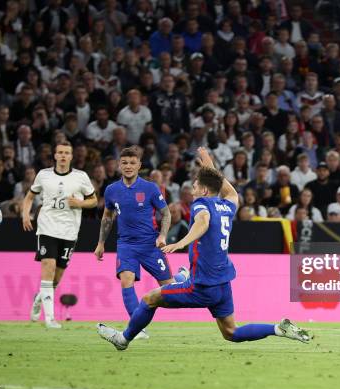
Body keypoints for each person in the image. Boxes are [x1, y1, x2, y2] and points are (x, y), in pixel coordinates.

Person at [96, 147, 312, 350]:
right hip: (222, 283)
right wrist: (208, 161)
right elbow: (225, 188)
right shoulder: (229, 204)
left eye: (196, 185)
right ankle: (278, 328)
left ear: (205, 190)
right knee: (231, 332)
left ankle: (123, 339)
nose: (193, 188)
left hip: (202, 286)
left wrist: (181, 242)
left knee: (149, 299)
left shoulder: (202, 205)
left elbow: (203, 221)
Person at [93, 146, 188, 339]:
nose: (128, 166)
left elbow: (166, 213)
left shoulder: (150, 188)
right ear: (120, 165)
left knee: (169, 289)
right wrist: (101, 242)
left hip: (149, 245)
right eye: (125, 163)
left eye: (132, 163)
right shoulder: (111, 190)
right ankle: (138, 329)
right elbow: (107, 216)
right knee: (126, 280)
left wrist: (162, 235)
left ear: (139, 166)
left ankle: (180, 278)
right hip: (126, 245)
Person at [21, 141, 98, 329]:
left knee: (56, 277)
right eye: (60, 153)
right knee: (48, 266)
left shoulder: (81, 177)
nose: (63, 156)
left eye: (67, 153)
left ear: (71, 156)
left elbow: (94, 201)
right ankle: (50, 319)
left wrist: (79, 203)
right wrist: (25, 214)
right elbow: (30, 196)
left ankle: (39, 298)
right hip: (47, 227)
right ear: (55, 156)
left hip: (70, 231)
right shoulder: (44, 175)